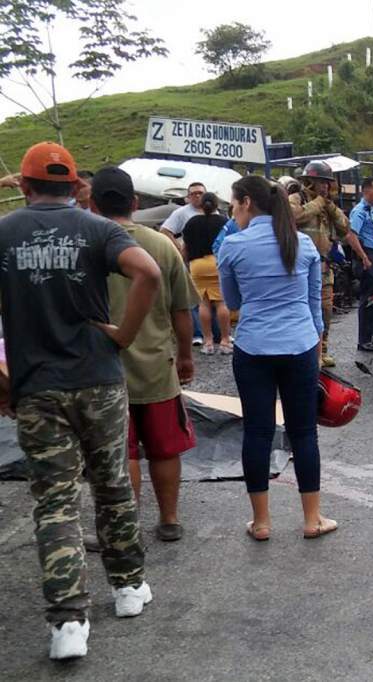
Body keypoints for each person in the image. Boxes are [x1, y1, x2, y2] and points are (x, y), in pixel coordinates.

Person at [0, 142, 161, 660]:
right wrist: (123, 335)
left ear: (24, 186)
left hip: (37, 388)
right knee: (112, 483)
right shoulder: (99, 229)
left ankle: (68, 624)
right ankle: (129, 588)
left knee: (54, 502)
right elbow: (149, 273)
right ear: (74, 187)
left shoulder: (4, 233)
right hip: (99, 379)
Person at [217, 175, 336, 541]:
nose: (233, 211)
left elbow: (234, 303)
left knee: (257, 431)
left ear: (247, 203)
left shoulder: (233, 247)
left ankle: (262, 523)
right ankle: (312, 520)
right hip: (300, 345)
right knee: (304, 433)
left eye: (234, 204)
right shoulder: (302, 245)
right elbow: (315, 304)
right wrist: (316, 347)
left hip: (253, 348)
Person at [92, 166, 198, 543]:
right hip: (157, 365)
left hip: (103, 370)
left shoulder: (88, 245)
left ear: (92, 203)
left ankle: (126, 527)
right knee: (164, 448)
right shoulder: (160, 245)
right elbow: (182, 311)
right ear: (135, 203)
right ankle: (170, 520)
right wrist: (185, 356)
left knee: (125, 451)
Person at [291, 162, 371, 366]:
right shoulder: (295, 199)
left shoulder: (328, 205)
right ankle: (304, 351)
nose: (325, 187)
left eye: (327, 183)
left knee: (325, 309)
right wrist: (318, 203)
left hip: (324, 267)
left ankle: (322, 349)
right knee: (303, 309)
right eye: (320, 182)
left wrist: (330, 207)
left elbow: (345, 228)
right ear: (309, 181)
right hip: (299, 268)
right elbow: (294, 216)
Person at [183, 192, 232, 355]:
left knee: (203, 304)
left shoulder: (191, 222)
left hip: (197, 264)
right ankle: (225, 341)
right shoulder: (224, 222)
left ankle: (208, 342)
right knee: (221, 303)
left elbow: (186, 247)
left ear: (201, 205)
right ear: (217, 205)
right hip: (217, 263)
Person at [350, 177, 373, 352]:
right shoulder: (359, 211)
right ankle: (364, 341)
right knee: (368, 299)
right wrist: (363, 257)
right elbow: (351, 235)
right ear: (367, 192)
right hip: (369, 256)